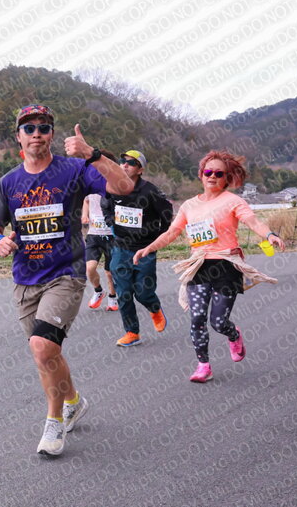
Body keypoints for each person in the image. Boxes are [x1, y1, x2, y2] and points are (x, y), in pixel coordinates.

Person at [0, 104, 133, 457]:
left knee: (41, 346)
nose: (37, 133)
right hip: (25, 279)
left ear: (52, 134)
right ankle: (74, 401)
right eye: (29, 128)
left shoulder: (75, 169)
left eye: (44, 127)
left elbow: (124, 186)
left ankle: (54, 422)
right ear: (18, 137)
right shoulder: (8, 183)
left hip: (66, 273)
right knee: (47, 352)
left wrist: (92, 153)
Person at [133, 150, 284, 383]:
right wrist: (148, 248)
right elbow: (172, 232)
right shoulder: (189, 205)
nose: (212, 176)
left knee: (218, 322)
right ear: (201, 174)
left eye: (219, 173)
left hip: (226, 265)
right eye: (208, 172)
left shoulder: (233, 201)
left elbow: (253, 221)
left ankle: (233, 334)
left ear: (226, 178)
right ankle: (203, 365)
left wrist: (270, 234)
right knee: (197, 319)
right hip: (199, 265)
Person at [102, 150, 174, 346]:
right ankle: (132, 332)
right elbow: (105, 205)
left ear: (140, 169)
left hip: (144, 249)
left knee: (143, 292)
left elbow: (167, 214)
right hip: (120, 247)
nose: (125, 165)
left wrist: (158, 238)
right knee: (124, 293)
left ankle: (154, 308)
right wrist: (111, 223)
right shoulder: (113, 187)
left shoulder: (150, 191)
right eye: (122, 161)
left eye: (131, 163)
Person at [81, 149, 119, 311]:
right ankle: (98, 291)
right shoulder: (90, 183)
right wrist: (84, 215)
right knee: (89, 268)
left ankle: (113, 297)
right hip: (94, 234)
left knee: (110, 272)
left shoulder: (115, 184)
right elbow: (87, 201)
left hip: (111, 235)